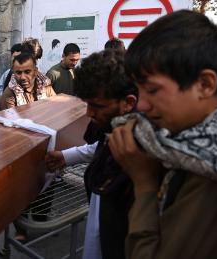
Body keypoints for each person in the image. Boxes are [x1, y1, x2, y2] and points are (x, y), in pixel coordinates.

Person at [108, 10, 217, 258]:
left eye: (152, 90)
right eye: (139, 90)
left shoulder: (214, 169)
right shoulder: (202, 139)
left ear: (205, 84)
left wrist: (144, 184)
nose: (141, 105)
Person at [47, 49, 137, 259]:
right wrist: (65, 156)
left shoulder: (139, 159)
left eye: (96, 105)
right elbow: (100, 147)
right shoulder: (117, 127)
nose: (89, 113)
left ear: (129, 103)